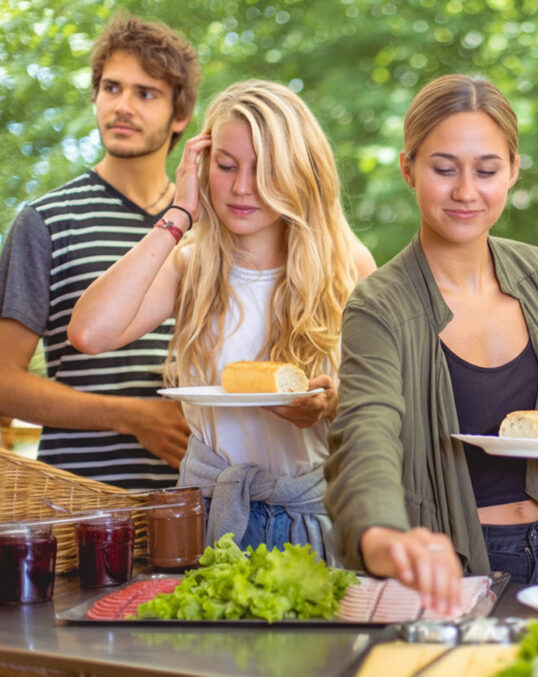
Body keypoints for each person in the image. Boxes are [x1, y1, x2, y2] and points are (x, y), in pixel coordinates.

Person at [323, 74, 538, 614]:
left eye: (486, 170)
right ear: (408, 168)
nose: (466, 191)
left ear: (512, 170)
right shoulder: (379, 305)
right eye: (443, 169)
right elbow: (365, 434)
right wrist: (384, 537)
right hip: (449, 567)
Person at [68, 80, 376, 560]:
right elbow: (89, 332)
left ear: (298, 171)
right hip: (208, 511)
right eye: (226, 166)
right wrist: (178, 214)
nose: (241, 187)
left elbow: (381, 405)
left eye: (264, 169)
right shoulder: (190, 265)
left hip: (313, 516)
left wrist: (331, 403)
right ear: (203, 166)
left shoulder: (348, 264)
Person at [0, 13, 200, 490]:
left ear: (180, 115)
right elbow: (4, 382)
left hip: (200, 501)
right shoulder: (46, 220)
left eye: (145, 93)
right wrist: (131, 416)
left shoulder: (209, 224)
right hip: (80, 505)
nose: (122, 106)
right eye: (111, 88)